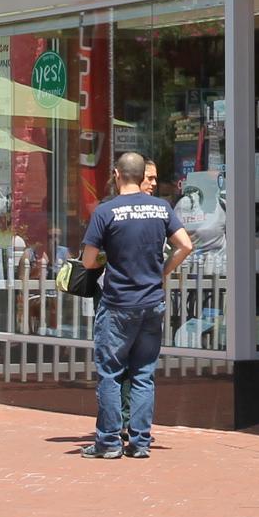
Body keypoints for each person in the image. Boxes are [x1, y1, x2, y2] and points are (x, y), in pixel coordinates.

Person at [79, 151, 193, 460]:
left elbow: (88, 260)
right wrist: (163, 271)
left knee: (111, 373)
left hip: (117, 303)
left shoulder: (106, 211)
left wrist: (103, 258)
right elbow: (186, 245)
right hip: (151, 302)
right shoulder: (161, 208)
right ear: (142, 175)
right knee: (143, 374)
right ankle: (140, 442)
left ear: (117, 174)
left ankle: (109, 442)